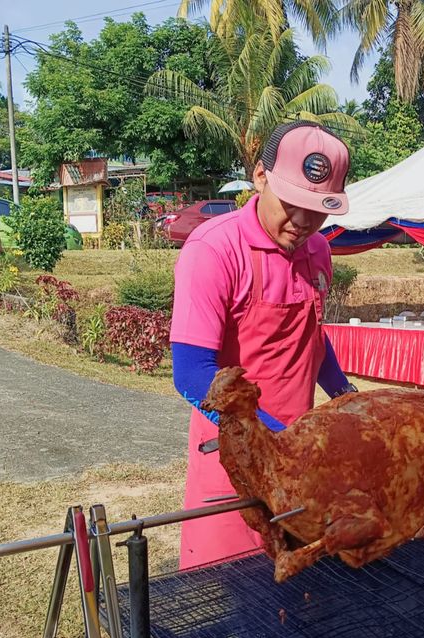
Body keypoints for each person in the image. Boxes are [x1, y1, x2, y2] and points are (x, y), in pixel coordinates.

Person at [170, 121, 357, 569]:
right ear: (260, 176)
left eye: (320, 209)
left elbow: (311, 336)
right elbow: (191, 371)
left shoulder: (318, 251)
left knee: (294, 608)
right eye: (293, 204)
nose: (305, 221)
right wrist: (275, 439)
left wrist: (346, 396)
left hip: (302, 470)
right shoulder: (214, 250)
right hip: (233, 464)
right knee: (226, 604)